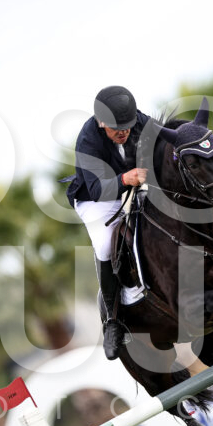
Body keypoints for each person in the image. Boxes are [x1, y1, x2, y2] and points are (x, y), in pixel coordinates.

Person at [67, 85, 150, 359]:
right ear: (101, 122)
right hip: (97, 199)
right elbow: (96, 189)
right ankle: (113, 323)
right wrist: (126, 178)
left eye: (127, 125)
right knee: (105, 245)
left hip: (133, 183)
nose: (124, 132)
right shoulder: (88, 140)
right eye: (117, 128)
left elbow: (165, 137)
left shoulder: (135, 119)